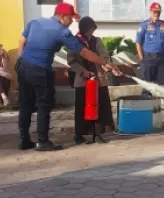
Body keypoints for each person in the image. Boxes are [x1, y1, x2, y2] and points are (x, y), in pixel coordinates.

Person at [17, 2, 121, 151]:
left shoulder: (35, 22)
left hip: (24, 68)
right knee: (44, 105)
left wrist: (21, 61)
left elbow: (22, 40)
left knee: (25, 104)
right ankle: (42, 141)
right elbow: (84, 52)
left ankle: (24, 140)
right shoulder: (62, 32)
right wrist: (106, 63)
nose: (72, 22)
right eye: (70, 18)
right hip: (41, 70)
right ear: (61, 16)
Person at [67, 16, 115, 145]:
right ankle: (79, 135)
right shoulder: (74, 42)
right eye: (89, 30)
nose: (91, 33)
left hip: (98, 79)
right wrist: (84, 71)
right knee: (82, 107)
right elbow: (71, 61)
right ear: (83, 29)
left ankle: (98, 132)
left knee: (100, 105)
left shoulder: (96, 41)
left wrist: (106, 64)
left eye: (93, 30)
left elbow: (103, 55)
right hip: (82, 81)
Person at [135, 2, 164, 111]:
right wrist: (141, 58)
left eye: (158, 12)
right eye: (154, 12)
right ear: (150, 11)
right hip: (148, 58)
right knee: (147, 83)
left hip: (162, 58)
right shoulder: (144, 25)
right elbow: (138, 42)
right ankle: (145, 105)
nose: (156, 14)